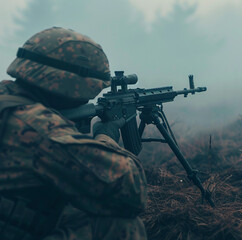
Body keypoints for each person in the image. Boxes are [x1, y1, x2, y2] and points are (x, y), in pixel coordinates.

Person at [0, 27, 147, 240]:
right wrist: (106, 137)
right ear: (72, 85)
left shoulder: (6, 100)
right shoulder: (39, 128)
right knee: (120, 225)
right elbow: (132, 190)